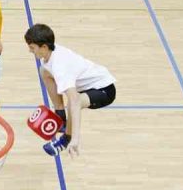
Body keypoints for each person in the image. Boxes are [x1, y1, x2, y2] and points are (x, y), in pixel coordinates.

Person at [24, 24, 116, 157]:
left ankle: (66, 140)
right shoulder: (50, 53)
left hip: (104, 90)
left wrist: (75, 139)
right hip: (88, 86)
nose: (30, 51)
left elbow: (75, 101)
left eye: (32, 48)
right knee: (44, 71)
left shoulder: (60, 67)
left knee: (73, 103)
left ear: (44, 47)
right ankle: (61, 118)